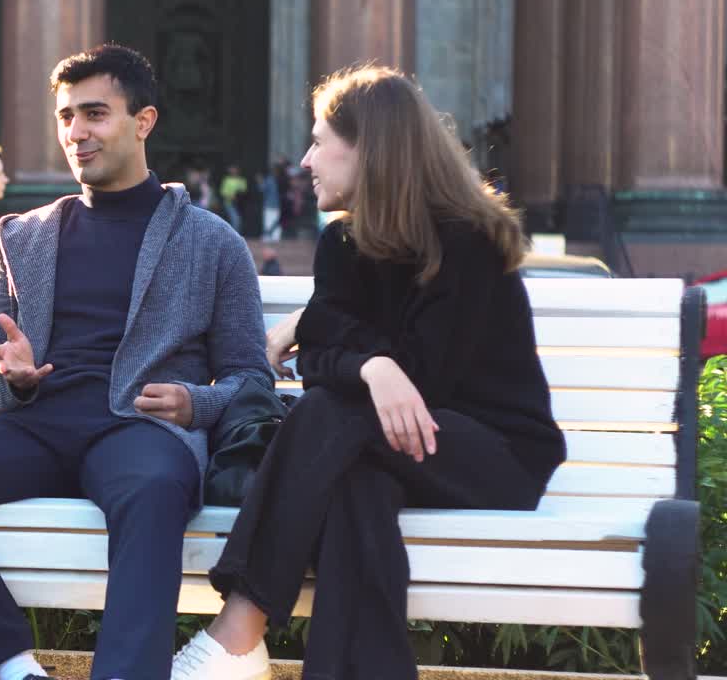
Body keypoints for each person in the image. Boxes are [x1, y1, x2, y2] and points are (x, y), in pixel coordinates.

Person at [0, 44, 271, 680]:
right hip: (38, 426)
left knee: (152, 491)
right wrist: (12, 379)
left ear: (143, 122)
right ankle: (13, 667)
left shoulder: (210, 241)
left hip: (140, 432)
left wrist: (196, 403)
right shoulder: (21, 235)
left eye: (95, 114)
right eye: (65, 117)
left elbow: (254, 380)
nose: (76, 133)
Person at [169, 66, 567, 680]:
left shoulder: (465, 243)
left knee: (332, 416)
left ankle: (238, 630)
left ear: (369, 149)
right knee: (357, 488)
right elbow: (328, 364)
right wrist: (372, 365)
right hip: (385, 444)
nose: (305, 160)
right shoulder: (343, 246)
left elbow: (417, 386)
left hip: (491, 454)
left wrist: (343, 352)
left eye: (319, 141)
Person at [218, 164, 247, 232]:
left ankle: (235, 236)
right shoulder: (227, 179)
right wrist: (231, 196)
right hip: (229, 203)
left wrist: (237, 195)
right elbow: (223, 192)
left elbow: (244, 191)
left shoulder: (241, 180)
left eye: (234, 169)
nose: (233, 170)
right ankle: (234, 236)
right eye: (232, 169)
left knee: (238, 220)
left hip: (240, 204)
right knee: (235, 219)